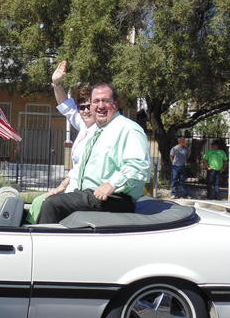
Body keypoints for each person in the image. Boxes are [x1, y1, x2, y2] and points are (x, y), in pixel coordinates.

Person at [37, 83, 151, 224]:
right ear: (91, 106)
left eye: (106, 101)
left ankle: (42, 243)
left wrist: (111, 185)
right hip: (89, 195)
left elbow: (138, 166)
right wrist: (62, 187)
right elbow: (80, 168)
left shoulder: (128, 128)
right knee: (47, 200)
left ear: (115, 104)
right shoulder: (96, 131)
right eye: (96, 101)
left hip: (115, 199)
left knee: (53, 204)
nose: (100, 106)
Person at [26, 61, 97, 223]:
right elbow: (67, 106)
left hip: (87, 194)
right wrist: (56, 83)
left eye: (89, 106)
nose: (85, 110)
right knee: (38, 201)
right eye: (82, 106)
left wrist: (62, 188)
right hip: (73, 188)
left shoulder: (102, 131)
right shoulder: (84, 126)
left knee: (47, 204)